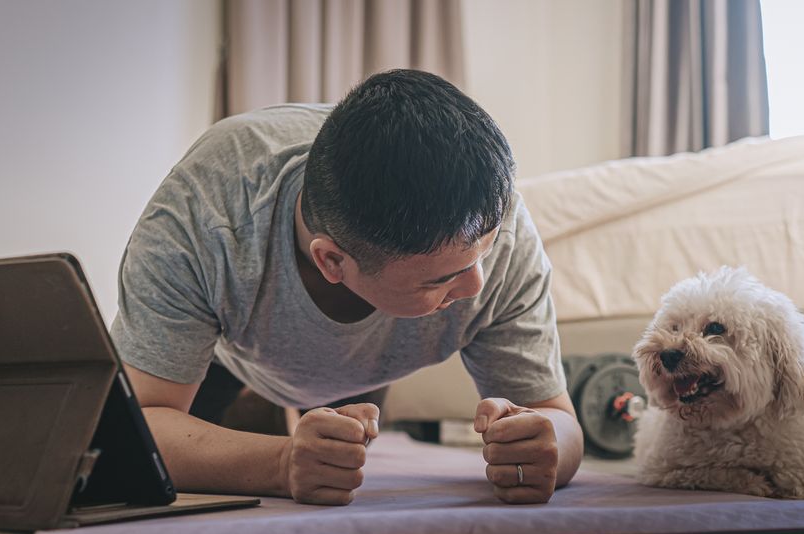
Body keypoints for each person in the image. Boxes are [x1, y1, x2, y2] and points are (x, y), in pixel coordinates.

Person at [113, 69, 583, 506]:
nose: (477, 285)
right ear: (332, 261)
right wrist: (278, 463)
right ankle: (263, 412)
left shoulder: (494, 226)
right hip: (228, 349)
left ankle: (283, 417)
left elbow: (558, 421)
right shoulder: (205, 217)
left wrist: (543, 447)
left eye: (484, 252)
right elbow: (132, 430)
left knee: (339, 462)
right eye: (441, 279)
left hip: (366, 368)